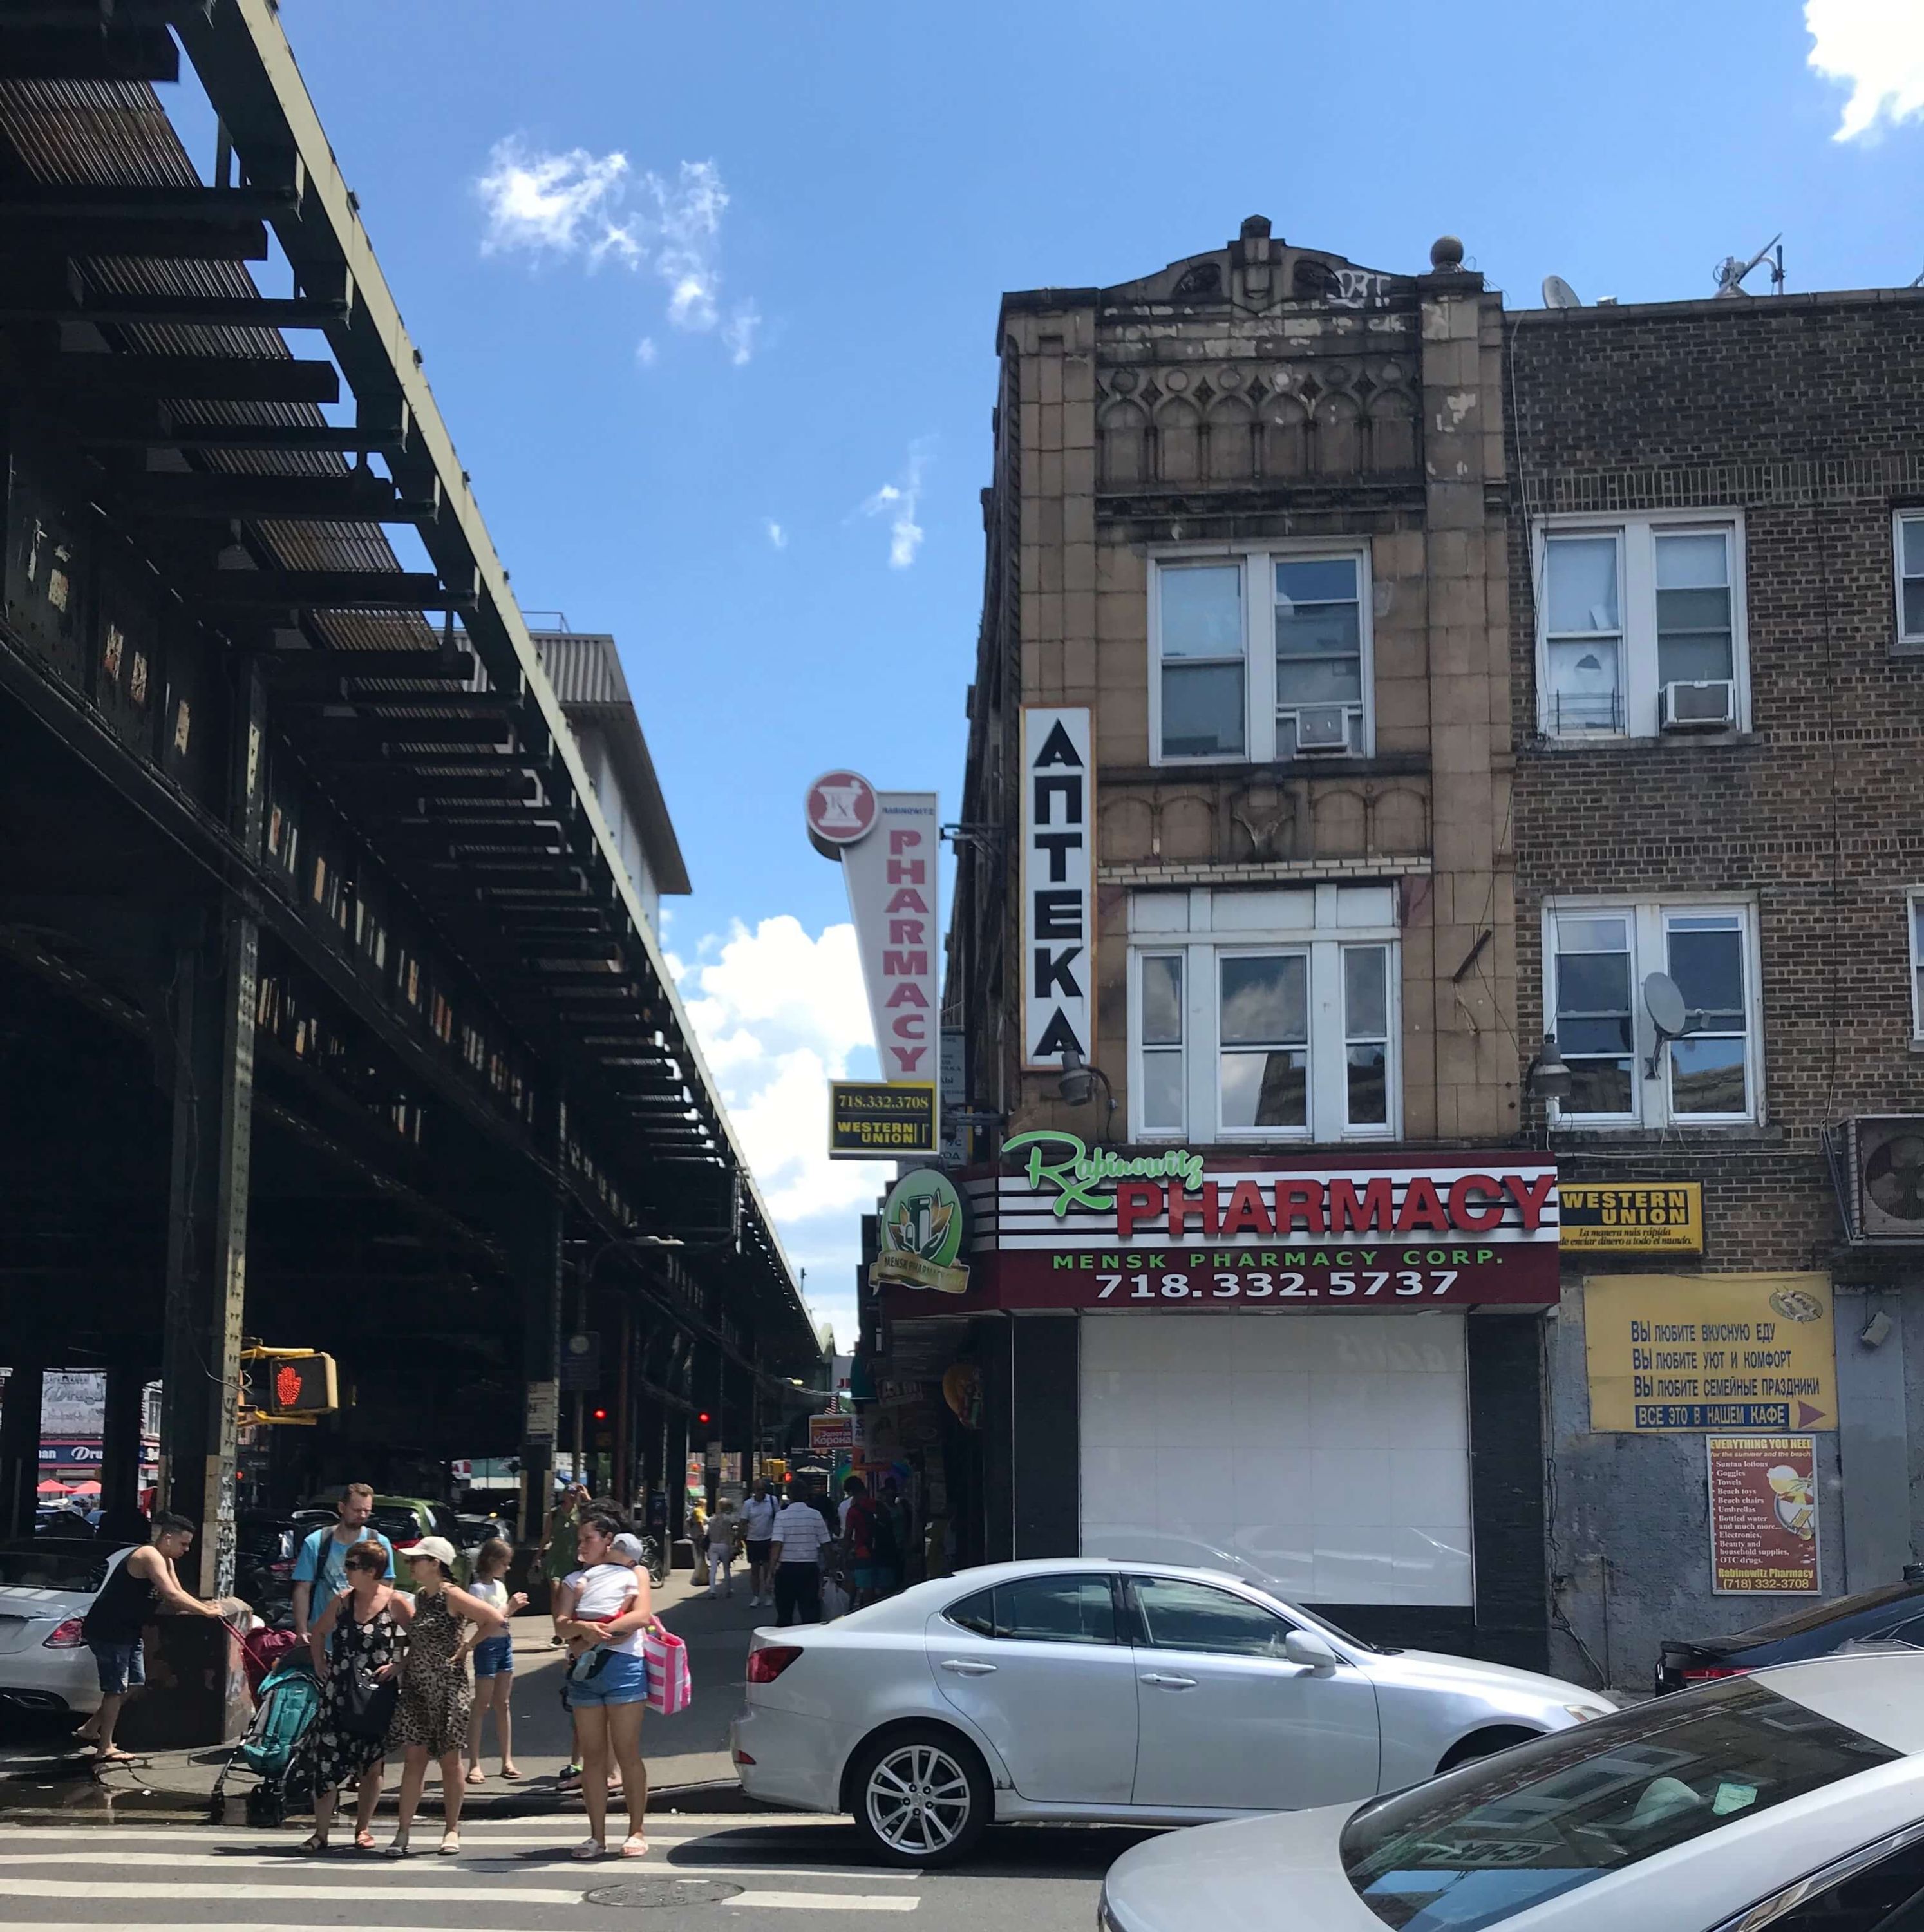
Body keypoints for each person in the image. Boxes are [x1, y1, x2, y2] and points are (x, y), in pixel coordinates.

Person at [383, 1536, 504, 1857]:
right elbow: (420, 1640)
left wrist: (467, 1646)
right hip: (416, 1686)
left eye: (416, 1560)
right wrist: (403, 1664)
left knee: (450, 1762)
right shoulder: (422, 1597)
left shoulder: (452, 1595)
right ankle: (403, 1831)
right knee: (414, 1759)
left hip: (447, 1687)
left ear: (435, 1563)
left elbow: (493, 1619)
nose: (410, 1565)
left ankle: (452, 1828)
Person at [77, 1511, 225, 1763]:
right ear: (167, 1538)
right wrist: (206, 1613)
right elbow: (172, 1597)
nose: (186, 1550)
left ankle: (90, 1728)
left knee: (135, 1684)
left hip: (130, 1629)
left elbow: (179, 1594)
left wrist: (205, 1607)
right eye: (184, 1544)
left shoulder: (166, 1560)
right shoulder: (149, 1555)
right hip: (109, 1628)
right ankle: (105, 1746)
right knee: (116, 1688)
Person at [553, 1510, 657, 1861]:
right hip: (584, 1671)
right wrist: (584, 1629)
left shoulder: (634, 1572)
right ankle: (597, 1835)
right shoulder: (572, 1580)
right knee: (593, 1756)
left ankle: (636, 1829)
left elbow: (642, 1616)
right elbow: (562, 1626)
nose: (581, 1546)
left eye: (589, 1539)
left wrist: (600, 1632)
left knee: (627, 1750)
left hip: (624, 1665)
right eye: (580, 1539)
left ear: (609, 1541)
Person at [297, 1539, 413, 1852]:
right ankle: (321, 1833)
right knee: (327, 1763)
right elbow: (318, 1632)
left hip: (376, 1693)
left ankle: (363, 1828)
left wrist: (399, 1666)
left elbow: (421, 1638)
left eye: (352, 1566)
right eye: (347, 1564)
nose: (346, 1571)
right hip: (340, 1691)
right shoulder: (342, 1601)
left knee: (372, 1764)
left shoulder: (395, 1602)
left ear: (372, 1571)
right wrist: (321, 1662)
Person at [291, 1484, 395, 1638]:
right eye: (356, 1510)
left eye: (366, 1511)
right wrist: (301, 1631)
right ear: (341, 1507)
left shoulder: (379, 1543)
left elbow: (386, 1586)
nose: (362, 1515)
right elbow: (302, 1589)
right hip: (324, 1634)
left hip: (364, 1636)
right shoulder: (316, 1542)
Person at [463, 1537, 527, 1784]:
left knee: (504, 1703)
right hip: (487, 1646)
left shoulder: (499, 1586)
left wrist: (509, 1610)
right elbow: (488, 1621)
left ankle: (506, 1759)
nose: (507, 1568)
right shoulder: (478, 1589)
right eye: (504, 1563)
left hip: (504, 1644)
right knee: (482, 1704)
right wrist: (510, 1609)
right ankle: (475, 1763)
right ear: (492, 1561)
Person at [769, 1488, 829, 1627]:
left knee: (785, 1613)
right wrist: (831, 1567)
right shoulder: (815, 1515)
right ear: (806, 1496)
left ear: (789, 1496)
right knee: (810, 1613)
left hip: (787, 1569)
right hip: (809, 1568)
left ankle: (785, 1643)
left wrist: (770, 1572)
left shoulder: (782, 1516)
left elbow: (777, 1544)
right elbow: (826, 1543)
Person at [543, 1483, 589, 1645]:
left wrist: (586, 1496)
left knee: (571, 1595)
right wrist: (537, 1557)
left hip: (574, 1559)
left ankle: (572, 1629)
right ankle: (558, 1634)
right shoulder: (555, 1513)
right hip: (556, 1558)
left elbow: (598, 1515)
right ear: (562, 1494)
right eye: (568, 1492)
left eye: (574, 1493)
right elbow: (546, 1536)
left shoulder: (582, 1513)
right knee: (555, 1594)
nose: (571, 1495)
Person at [740, 1481, 777, 1607]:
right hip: (753, 1539)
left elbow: (777, 1518)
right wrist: (739, 1540)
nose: (760, 1492)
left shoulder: (772, 1501)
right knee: (754, 1570)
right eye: (757, 1490)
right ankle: (756, 1596)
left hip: (769, 1538)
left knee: (768, 1569)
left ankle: (768, 1594)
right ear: (753, 1491)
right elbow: (743, 1522)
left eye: (762, 1489)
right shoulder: (748, 1504)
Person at [880, 1482, 913, 1595]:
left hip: (902, 1540)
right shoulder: (883, 1509)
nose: (891, 1497)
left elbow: (908, 1522)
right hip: (889, 1543)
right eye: (888, 1495)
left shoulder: (901, 1506)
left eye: (892, 1494)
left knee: (901, 1568)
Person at [705, 1499, 739, 1598]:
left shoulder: (712, 1519)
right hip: (724, 1545)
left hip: (713, 1545)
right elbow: (731, 1534)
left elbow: (709, 1533)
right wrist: (733, 1547)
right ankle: (728, 1590)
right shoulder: (729, 1519)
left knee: (713, 1569)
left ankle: (712, 1591)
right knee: (726, 1568)